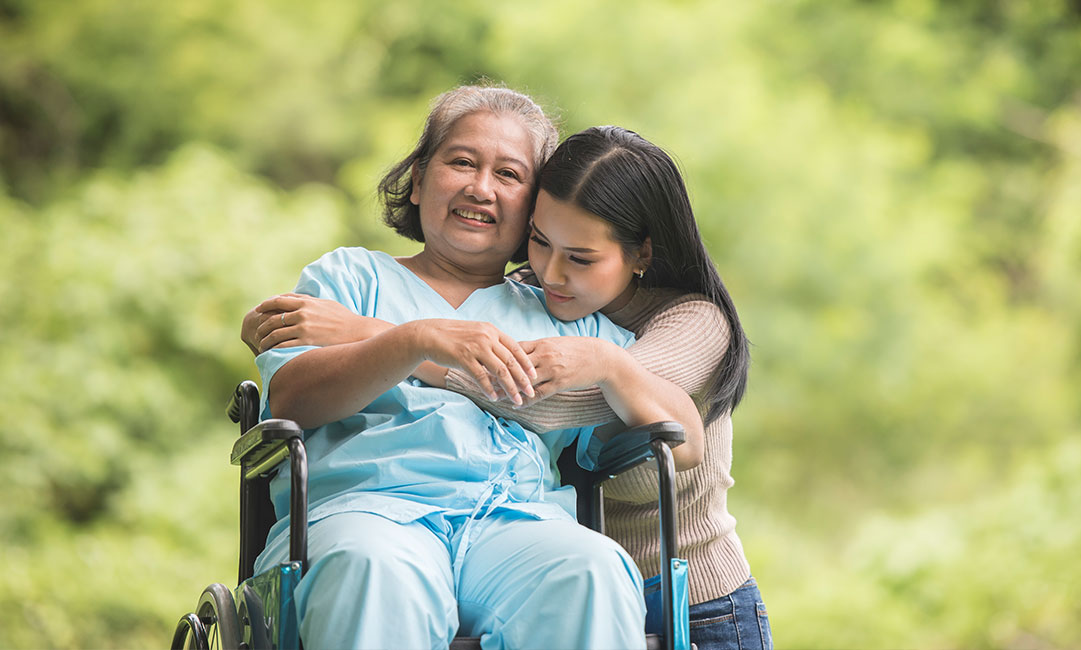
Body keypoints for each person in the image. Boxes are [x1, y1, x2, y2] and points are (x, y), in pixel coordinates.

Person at [246, 125, 774, 648]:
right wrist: (409, 341)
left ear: (526, 203)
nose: (481, 188)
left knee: (590, 569)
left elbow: (674, 436)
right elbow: (292, 396)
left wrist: (413, 343)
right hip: (370, 511)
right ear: (417, 180)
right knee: (371, 569)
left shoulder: (582, 320)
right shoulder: (348, 279)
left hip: (533, 528)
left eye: (507, 173)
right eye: (460, 162)